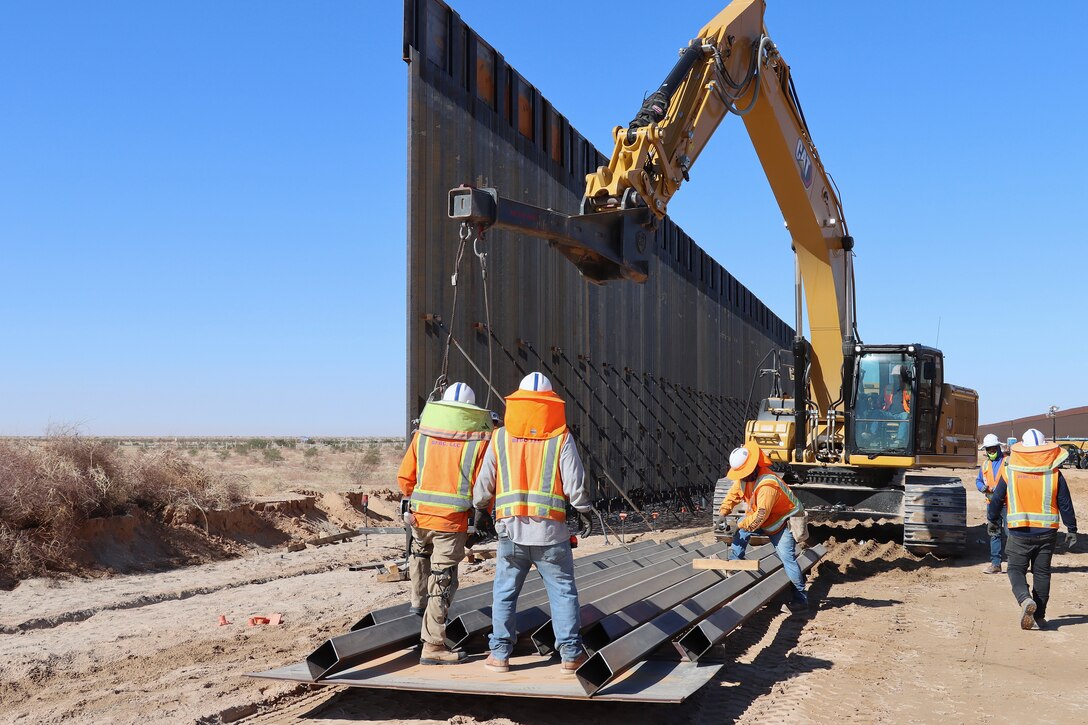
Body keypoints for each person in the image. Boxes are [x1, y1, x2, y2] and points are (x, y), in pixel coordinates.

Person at [472, 372, 594, 675]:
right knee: (563, 591)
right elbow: (574, 479)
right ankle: (570, 655)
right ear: (550, 404)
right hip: (551, 532)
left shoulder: (500, 436)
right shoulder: (561, 436)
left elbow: (485, 479)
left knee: (504, 592)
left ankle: (499, 654)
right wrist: (583, 509)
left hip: (510, 530)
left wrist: (479, 509)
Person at [397, 382, 493, 664]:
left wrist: (412, 501)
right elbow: (482, 488)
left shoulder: (423, 436)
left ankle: (417, 604)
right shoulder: (479, 441)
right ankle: (434, 646)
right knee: (443, 579)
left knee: (419, 556)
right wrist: (483, 512)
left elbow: (405, 478)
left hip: (420, 516)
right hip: (450, 523)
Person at [987, 428, 1078, 630]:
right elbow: (1065, 503)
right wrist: (1071, 528)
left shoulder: (1009, 470)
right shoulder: (1054, 472)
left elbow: (997, 498)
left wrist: (992, 520)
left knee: (1015, 569)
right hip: (1047, 532)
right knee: (1042, 573)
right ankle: (1040, 617)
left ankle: (1025, 599)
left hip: (1019, 532)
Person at [718, 441, 808, 612]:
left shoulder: (768, 485)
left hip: (782, 523)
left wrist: (739, 524)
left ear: (752, 469)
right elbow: (733, 494)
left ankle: (800, 599)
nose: (741, 476)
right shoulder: (745, 479)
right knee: (742, 527)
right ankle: (736, 564)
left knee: (787, 558)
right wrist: (723, 512)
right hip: (767, 520)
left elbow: (759, 517)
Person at [975, 433, 1008, 574]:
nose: (991, 452)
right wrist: (982, 488)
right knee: (995, 533)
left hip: (1007, 504)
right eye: (989, 450)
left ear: (998, 448)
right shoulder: (985, 465)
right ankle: (996, 564)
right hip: (991, 504)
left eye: (993, 449)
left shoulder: (1008, 462)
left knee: (1010, 533)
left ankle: (1015, 565)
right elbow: (979, 480)